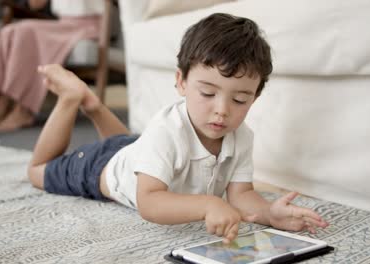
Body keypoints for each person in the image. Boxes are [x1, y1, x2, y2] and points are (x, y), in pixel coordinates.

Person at [28, 13, 329, 244]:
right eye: (208, 93)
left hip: (137, 151)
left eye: (240, 99)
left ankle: (94, 106)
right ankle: (71, 98)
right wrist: (208, 204)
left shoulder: (241, 136)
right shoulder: (166, 131)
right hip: (102, 168)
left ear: (255, 96)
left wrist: (268, 213)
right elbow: (149, 202)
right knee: (38, 173)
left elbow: (241, 195)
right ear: (181, 82)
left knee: (127, 144)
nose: (222, 110)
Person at [0, 0, 104, 135]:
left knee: (26, 32)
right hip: (62, 23)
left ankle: (23, 108)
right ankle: (2, 103)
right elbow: (36, 4)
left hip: (89, 26)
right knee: (8, 31)